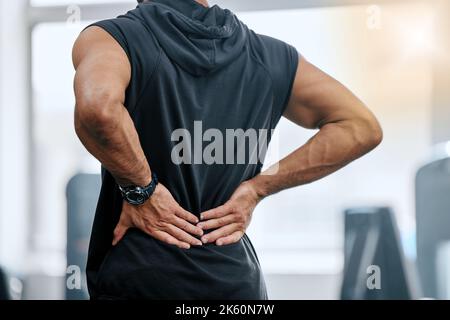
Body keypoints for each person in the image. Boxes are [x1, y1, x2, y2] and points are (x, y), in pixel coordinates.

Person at [72, 0, 382, 299]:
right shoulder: (268, 56)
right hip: (236, 284)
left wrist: (141, 189)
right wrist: (256, 189)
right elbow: (359, 126)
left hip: (142, 278)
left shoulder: (112, 38)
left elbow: (98, 109)